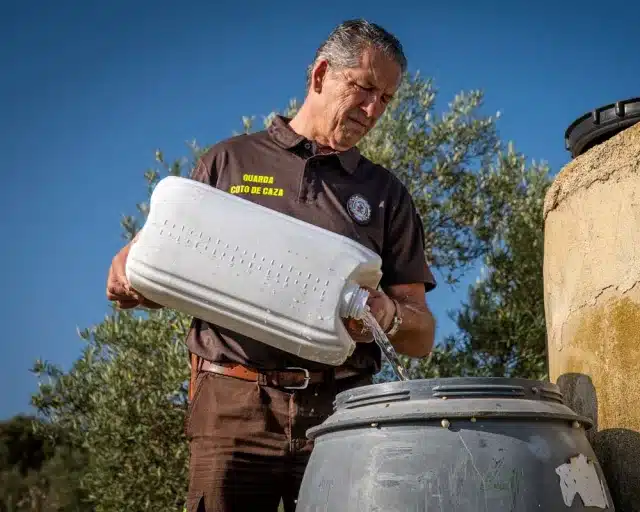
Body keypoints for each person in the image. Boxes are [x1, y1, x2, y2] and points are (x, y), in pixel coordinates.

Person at [105, 18, 436, 512]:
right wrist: (132, 275)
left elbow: (421, 334)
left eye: (385, 99)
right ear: (321, 74)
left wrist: (386, 315)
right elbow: (160, 273)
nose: (373, 110)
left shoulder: (386, 194)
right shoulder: (228, 163)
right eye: (364, 88)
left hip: (340, 413)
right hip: (231, 406)